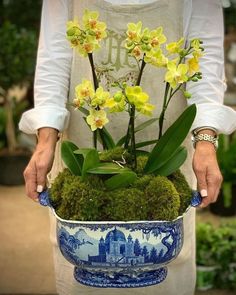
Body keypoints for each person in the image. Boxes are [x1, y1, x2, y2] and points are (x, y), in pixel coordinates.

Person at [19, 0, 236, 294]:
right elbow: (54, 59)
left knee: (165, 262)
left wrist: (206, 142)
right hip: (86, 160)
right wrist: (45, 139)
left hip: (165, 166)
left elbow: (205, 63)